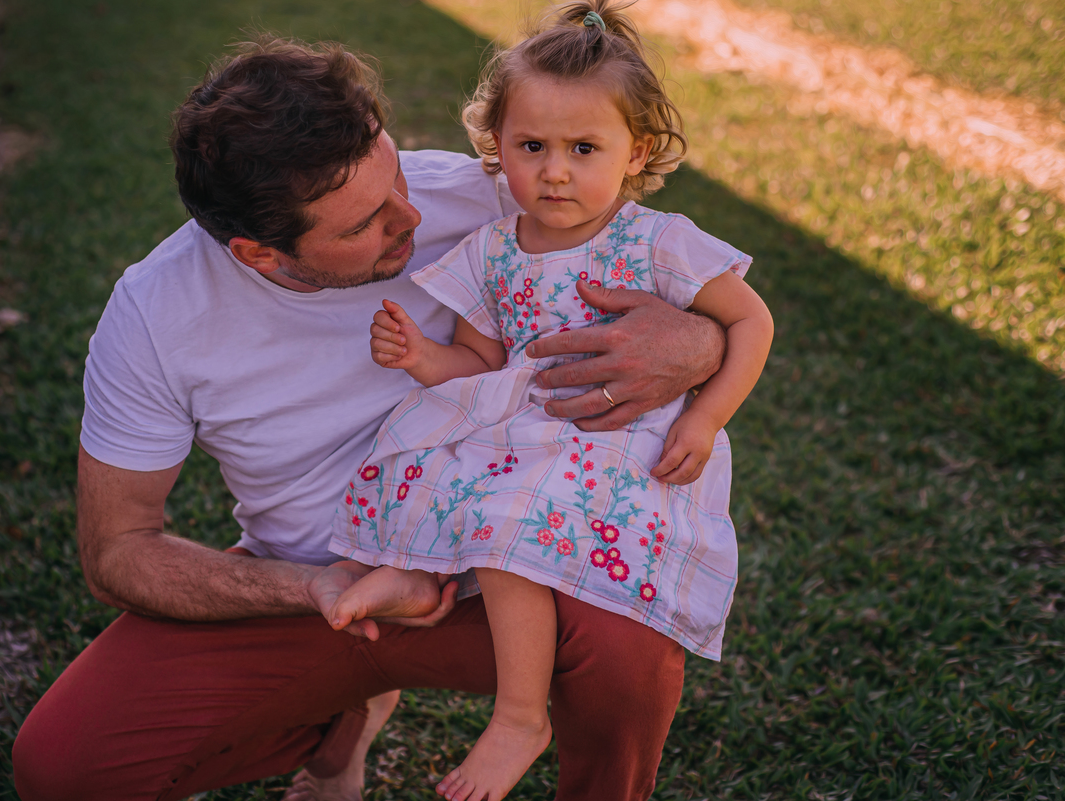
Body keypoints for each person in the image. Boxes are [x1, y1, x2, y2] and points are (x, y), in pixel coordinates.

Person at [10, 31, 731, 801]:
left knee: (627, 636)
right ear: (260, 254)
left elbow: (673, 268)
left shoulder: (499, 198)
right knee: (64, 771)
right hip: (330, 589)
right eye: (363, 226)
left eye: (393, 175)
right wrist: (313, 589)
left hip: (514, 570)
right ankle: (336, 723)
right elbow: (118, 551)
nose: (408, 217)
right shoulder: (156, 314)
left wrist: (699, 341)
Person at [325, 3, 773, 800]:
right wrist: (422, 356)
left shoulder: (655, 241)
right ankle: (408, 572)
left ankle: (520, 716)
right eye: (532, 147)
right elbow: (481, 361)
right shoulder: (492, 251)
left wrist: (706, 417)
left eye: (583, 149)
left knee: (509, 515)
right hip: (521, 421)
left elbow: (750, 319)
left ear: (636, 153)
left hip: (619, 435)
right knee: (425, 463)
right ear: (497, 147)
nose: (556, 171)